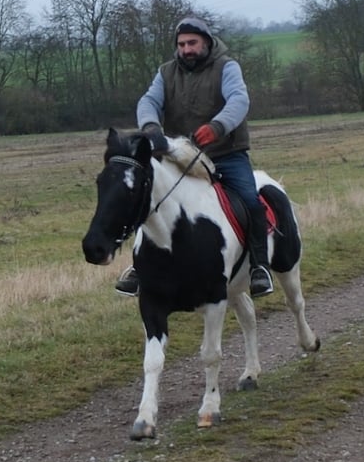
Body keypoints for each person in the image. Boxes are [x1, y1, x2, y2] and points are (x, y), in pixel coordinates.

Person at [115, 16, 274, 299]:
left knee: (250, 201)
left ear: (207, 43)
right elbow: (148, 101)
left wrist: (218, 127)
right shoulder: (166, 72)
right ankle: (140, 267)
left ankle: (259, 267)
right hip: (181, 156)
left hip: (225, 154)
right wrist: (150, 127)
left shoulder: (227, 67)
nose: (186, 49)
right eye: (181, 44)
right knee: (148, 198)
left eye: (192, 43)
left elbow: (239, 100)